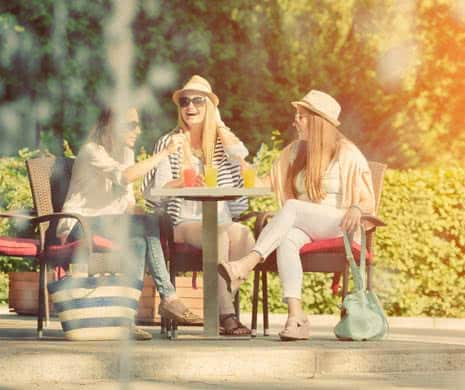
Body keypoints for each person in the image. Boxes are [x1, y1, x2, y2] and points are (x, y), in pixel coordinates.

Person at [218, 90, 376, 341]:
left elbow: (368, 201)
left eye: (301, 116)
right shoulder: (294, 153)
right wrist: (242, 167)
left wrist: (357, 208)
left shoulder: (348, 153)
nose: (295, 121)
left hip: (339, 225)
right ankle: (296, 318)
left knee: (291, 207)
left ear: (318, 121)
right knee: (288, 238)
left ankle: (245, 265)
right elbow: (264, 184)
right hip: (304, 225)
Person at [55, 106, 204, 340]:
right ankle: (169, 297)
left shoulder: (125, 155)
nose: (138, 130)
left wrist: (155, 208)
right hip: (78, 226)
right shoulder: (91, 151)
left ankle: (127, 319)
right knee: (143, 226)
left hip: (109, 225)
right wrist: (165, 152)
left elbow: (128, 204)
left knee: (139, 238)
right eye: (132, 125)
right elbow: (125, 177)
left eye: (138, 124)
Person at [142, 75, 255, 336]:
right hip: (183, 221)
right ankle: (226, 315)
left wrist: (220, 127)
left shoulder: (219, 147)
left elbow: (242, 157)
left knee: (245, 236)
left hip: (221, 218)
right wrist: (181, 183)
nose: (190, 107)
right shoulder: (170, 142)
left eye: (198, 101)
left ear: (210, 108)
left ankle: (217, 305)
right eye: (184, 101)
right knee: (217, 236)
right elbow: (155, 193)